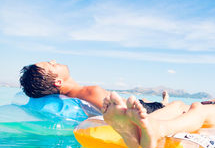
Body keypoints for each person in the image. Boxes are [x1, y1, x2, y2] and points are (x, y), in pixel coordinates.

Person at [102, 82, 215, 148]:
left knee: (198, 108)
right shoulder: (208, 102)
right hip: (201, 113)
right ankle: (136, 130)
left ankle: (158, 130)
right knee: (178, 104)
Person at [19, 60, 172, 113]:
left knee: (141, 99)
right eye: (51, 64)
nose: (53, 61)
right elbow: (121, 114)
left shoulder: (63, 96)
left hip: (127, 101)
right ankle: (163, 102)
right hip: (139, 108)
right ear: (58, 82)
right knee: (168, 105)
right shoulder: (91, 91)